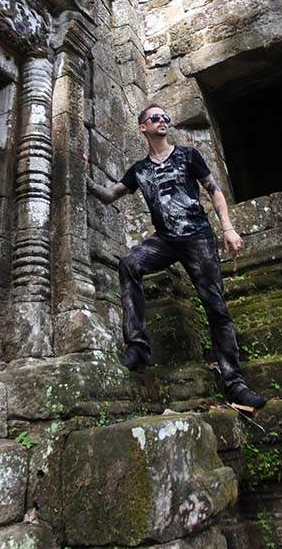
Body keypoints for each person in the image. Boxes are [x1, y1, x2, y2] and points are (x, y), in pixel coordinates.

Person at [85, 103, 268, 411]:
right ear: (143, 127)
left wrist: (228, 228)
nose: (163, 121)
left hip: (197, 237)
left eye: (165, 117)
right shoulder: (140, 170)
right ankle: (138, 349)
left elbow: (214, 190)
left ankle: (236, 385)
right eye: (155, 117)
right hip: (166, 240)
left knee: (216, 308)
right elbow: (110, 194)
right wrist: (84, 176)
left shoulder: (188, 156)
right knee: (129, 263)